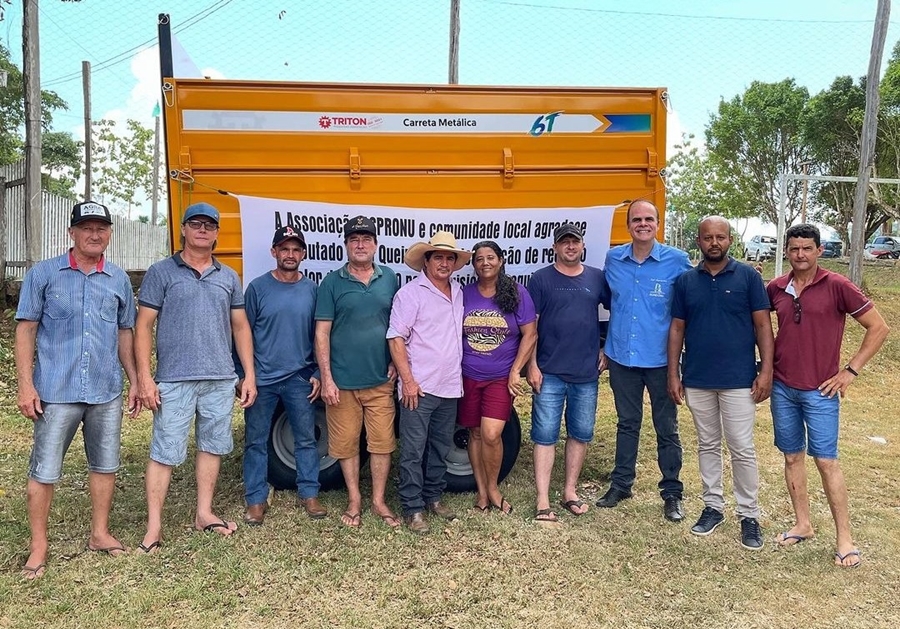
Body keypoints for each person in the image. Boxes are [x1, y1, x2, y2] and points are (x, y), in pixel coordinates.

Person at [15, 201, 140, 580]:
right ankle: (39, 545)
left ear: (109, 234)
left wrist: (135, 379)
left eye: (101, 227)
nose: (94, 234)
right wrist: (25, 385)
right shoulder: (45, 274)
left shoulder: (118, 279)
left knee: (105, 465)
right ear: (71, 233)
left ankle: (99, 533)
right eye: (86, 227)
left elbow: (125, 332)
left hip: (105, 390)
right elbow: (26, 329)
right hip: (55, 390)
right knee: (45, 469)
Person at [135, 202, 257, 553]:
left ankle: (204, 511)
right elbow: (143, 326)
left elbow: (240, 326)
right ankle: (154, 526)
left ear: (217, 233)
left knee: (212, 446)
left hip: (220, 377)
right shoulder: (161, 273)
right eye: (195, 224)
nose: (202, 230)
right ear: (184, 230)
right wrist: (144, 378)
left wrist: (247, 374)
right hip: (174, 378)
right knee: (164, 451)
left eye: (209, 225)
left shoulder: (228, 276)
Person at [767, 223, 888, 568]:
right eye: (794, 249)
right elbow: (758, 324)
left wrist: (849, 371)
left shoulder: (837, 286)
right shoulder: (777, 288)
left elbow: (879, 327)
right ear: (786, 252)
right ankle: (803, 524)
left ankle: (845, 540)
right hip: (783, 387)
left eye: (807, 248)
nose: (800, 255)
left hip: (821, 391)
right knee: (792, 457)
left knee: (826, 461)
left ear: (820, 251)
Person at [667, 216, 774, 550]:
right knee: (708, 444)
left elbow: (762, 327)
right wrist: (674, 373)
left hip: (739, 379)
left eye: (721, 237)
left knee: (741, 447)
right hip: (697, 378)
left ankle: (749, 515)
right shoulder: (685, 281)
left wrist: (766, 370)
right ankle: (713, 506)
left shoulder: (748, 278)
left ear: (730, 241)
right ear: (698, 241)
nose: (715, 243)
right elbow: (677, 329)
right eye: (708, 238)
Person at [598, 199, 693, 522]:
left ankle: (671, 492)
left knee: (666, 427)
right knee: (627, 424)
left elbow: (689, 305)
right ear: (628, 226)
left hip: (661, 360)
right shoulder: (613, 259)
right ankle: (621, 484)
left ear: (657, 223)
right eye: (636, 219)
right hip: (622, 356)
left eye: (648, 219)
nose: (642, 224)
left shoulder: (677, 261)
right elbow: (610, 303)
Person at [315, 216, 401, 528]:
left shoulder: (389, 278)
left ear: (376, 244)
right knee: (346, 444)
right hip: (342, 383)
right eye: (354, 239)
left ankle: (378, 500)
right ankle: (354, 499)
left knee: (382, 443)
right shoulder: (331, 282)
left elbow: (399, 326)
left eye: (366, 239)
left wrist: (396, 362)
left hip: (381, 380)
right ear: (346, 245)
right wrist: (326, 377)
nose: (360, 244)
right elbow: (322, 332)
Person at [238, 226, 324, 527]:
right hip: (262, 379)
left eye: (296, 249)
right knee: (256, 441)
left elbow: (320, 335)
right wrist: (242, 375)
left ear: (303, 254)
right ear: (274, 252)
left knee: (306, 438)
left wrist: (317, 372)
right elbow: (242, 333)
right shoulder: (257, 289)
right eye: (284, 249)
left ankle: (310, 493)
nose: (290, 254)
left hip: (300, 378)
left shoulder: (313, 290)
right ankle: (256, 499)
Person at [387, 231, 471, 534]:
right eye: (439, 257)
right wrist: (407, 381)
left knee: (439, 447)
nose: (445, 263)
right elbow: (396, 338)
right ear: (426, 261)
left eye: (450, 258)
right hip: (419, 387)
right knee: (412, 449)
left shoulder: (459, 292)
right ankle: (412, 507)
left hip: (450, 384)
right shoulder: (410, 294)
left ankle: (434, 497)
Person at [526, 224, 610, 523]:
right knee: (545, 435)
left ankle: (570, 492)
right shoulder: (540, 279)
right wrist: (531, 365)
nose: (570, 247)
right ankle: (543, 500)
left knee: (580, 433)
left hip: (586, 373)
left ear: (583, 246)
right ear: (555, 248)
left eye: (575, 242)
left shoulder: (597, 278)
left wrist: (606, 347)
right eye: (564, 243)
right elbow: (530, 328)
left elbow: (617, 313)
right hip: (548, 372)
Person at [461, 241, 537, 515]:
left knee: (492, 434)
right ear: (473, 265)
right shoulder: (465, 294)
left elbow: (530, 334)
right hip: (468, 375)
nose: (485, 263)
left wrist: (516, 369)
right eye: (479, 259)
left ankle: (493, 488)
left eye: (490, 257)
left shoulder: (517, 293)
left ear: (501, 260)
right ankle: (482, 492)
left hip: (499, 378)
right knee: (476, 433)